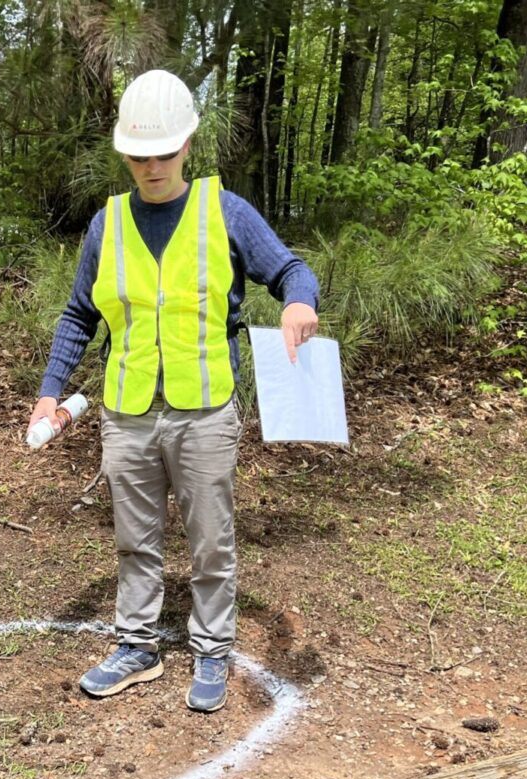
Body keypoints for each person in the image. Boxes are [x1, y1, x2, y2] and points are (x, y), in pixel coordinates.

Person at [29, 69, 320, 713]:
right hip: (127, 411)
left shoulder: (226, 211)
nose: (151, 165)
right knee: (135, 537)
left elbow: (292, 270)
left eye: (163, 152)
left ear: (188, 145)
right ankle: (137, 646)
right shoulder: (107, 225)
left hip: (204, 412)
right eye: (138, 154)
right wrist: (52, 391)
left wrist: (300, 302)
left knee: (209, 538)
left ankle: (212, 647)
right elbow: (80, 316)